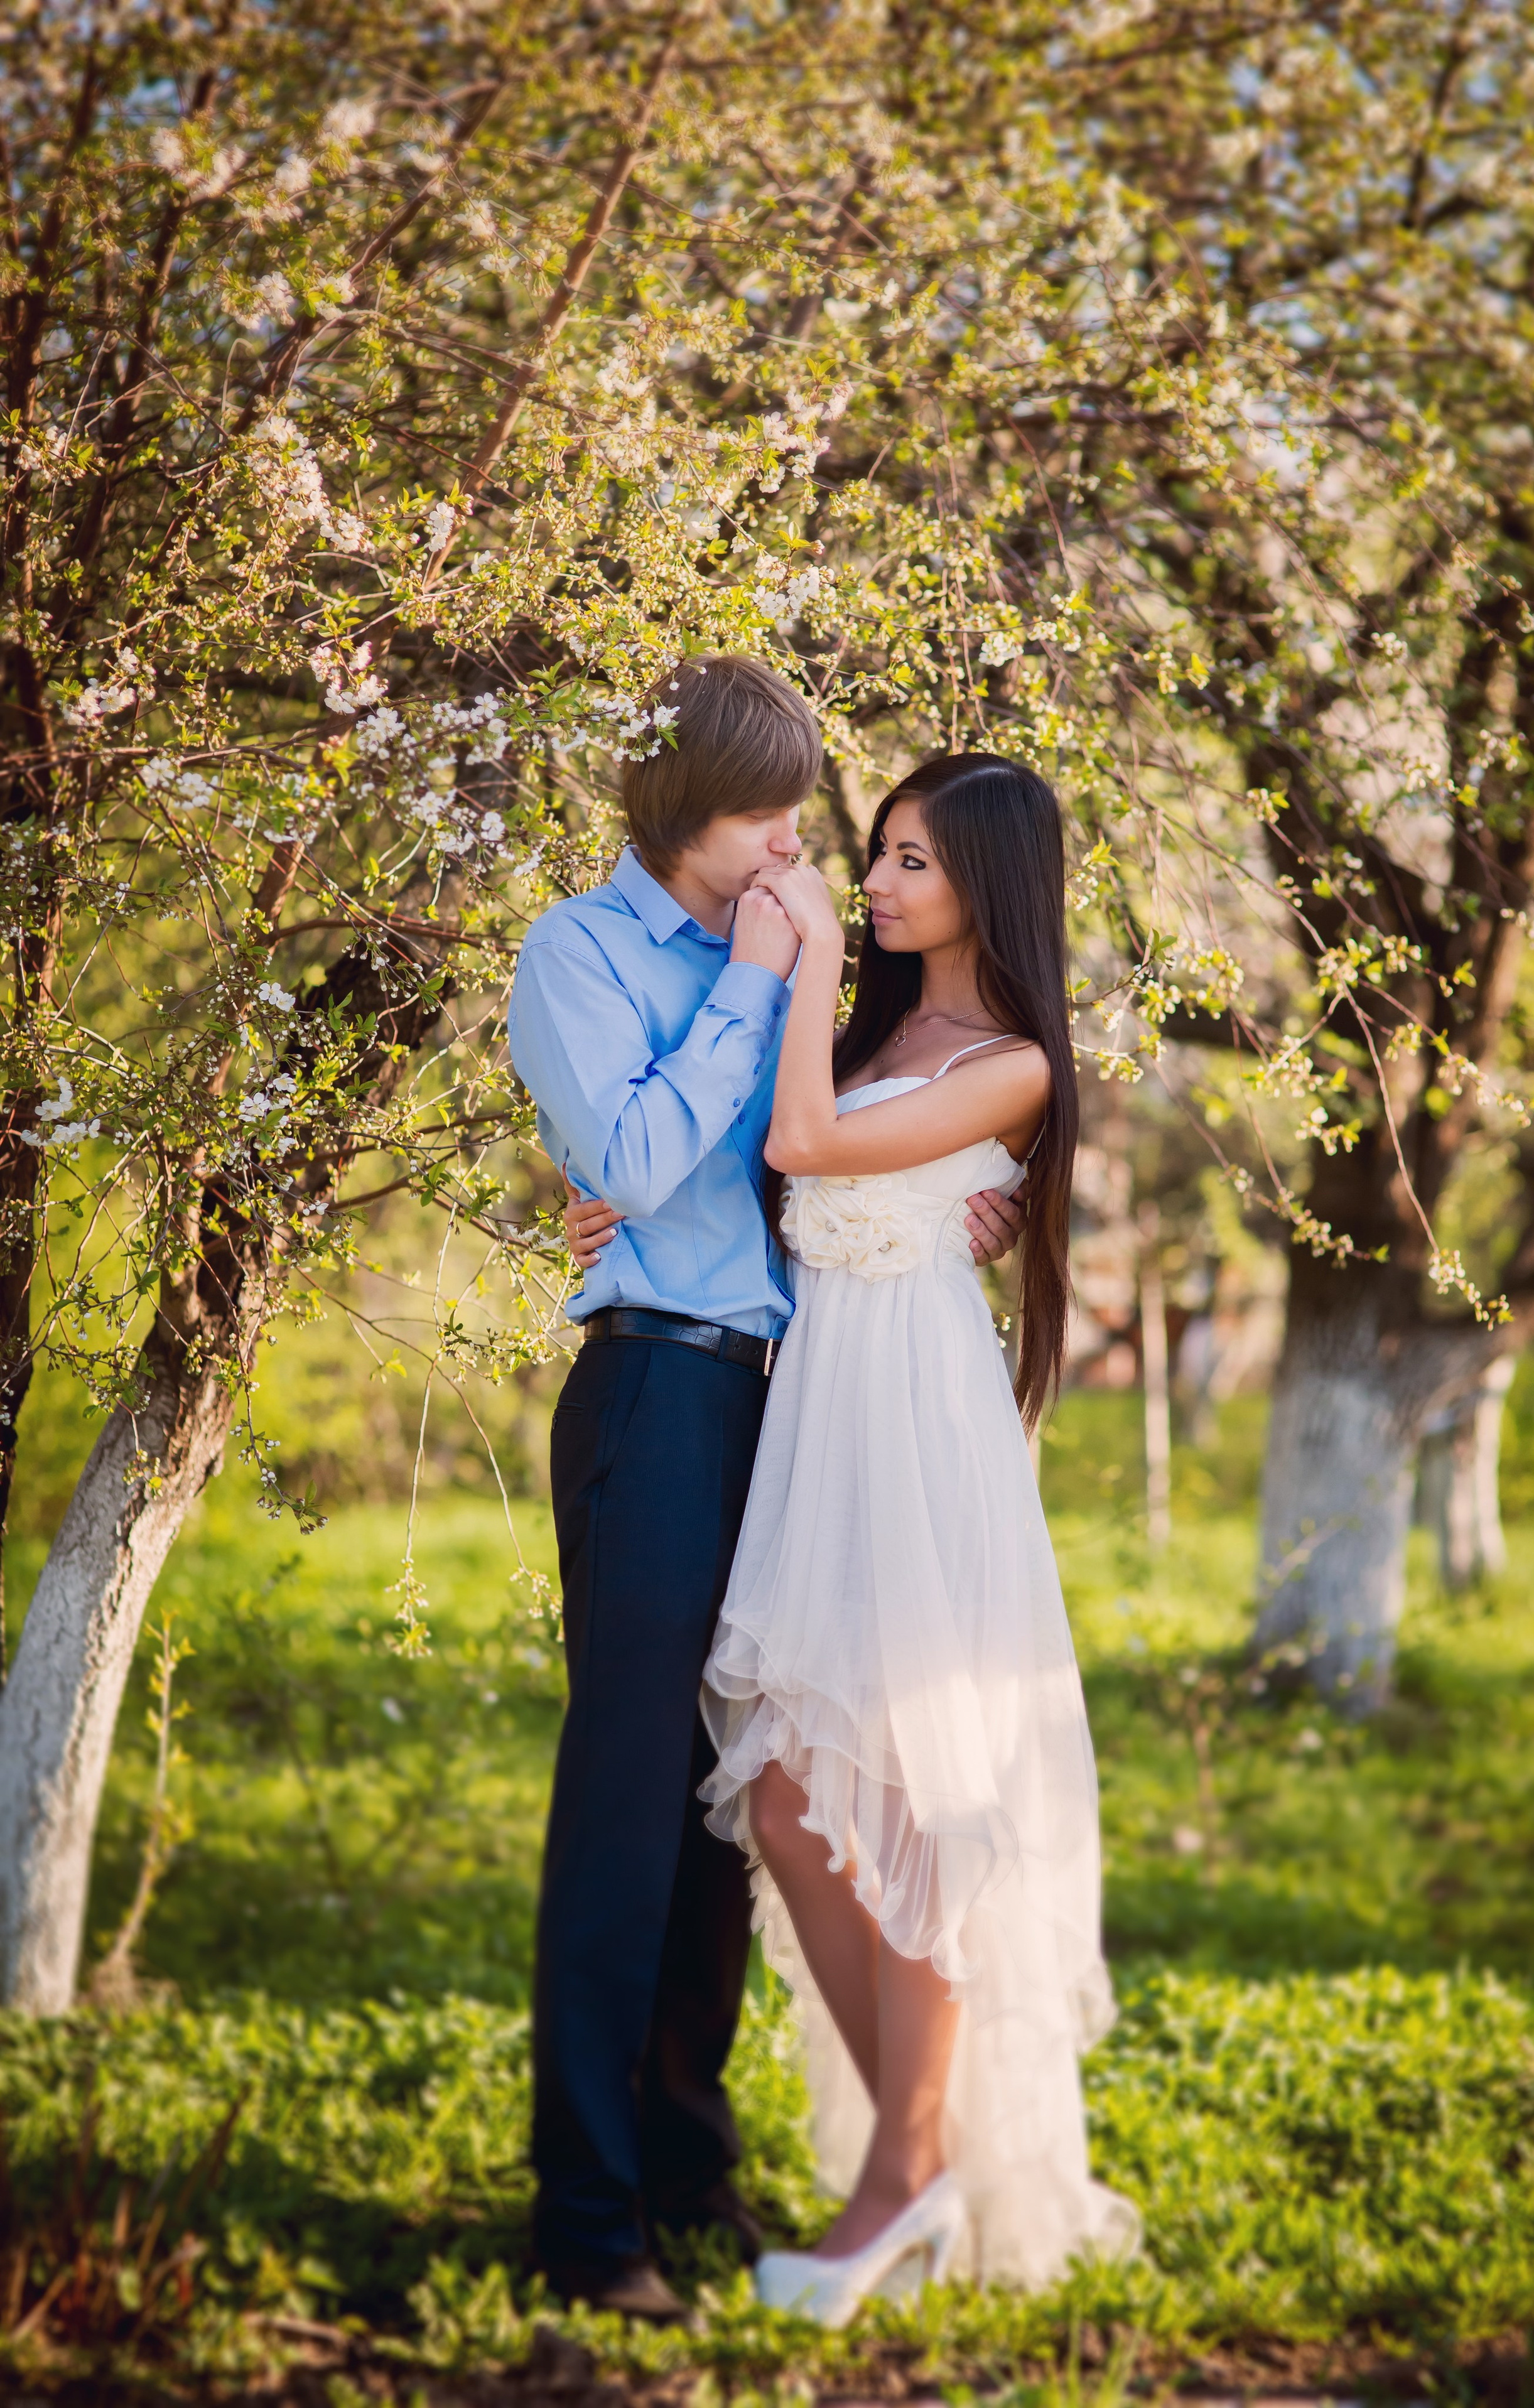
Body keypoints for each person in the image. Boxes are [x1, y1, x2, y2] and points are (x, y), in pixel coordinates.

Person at [509, 658, 1025, 2321]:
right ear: (685, 815)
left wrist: (968, 1202)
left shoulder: (809, 952)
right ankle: (589, 2220)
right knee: (629, 1799)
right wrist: (745, 985)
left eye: (810, 818)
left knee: (735, 1797)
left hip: (798, 1411)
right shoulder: (579, 953)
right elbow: (647, 1166)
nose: (798, 848)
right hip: (658, 1382)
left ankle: (688, 2162)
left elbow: (862, 1127)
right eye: (768, 816)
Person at [696, 753, 1139, 2323]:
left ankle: (901, 2176)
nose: (874, 887)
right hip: (823, 1412)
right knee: (796, 1796)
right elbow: (760, 1162)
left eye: (908, 867)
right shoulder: (879, 1035)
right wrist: (599, 1202)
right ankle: (924, 2149)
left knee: (917, 1784)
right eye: (873, 859)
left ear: (984, 889)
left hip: (917, 1427)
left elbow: (807, 1148)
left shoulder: (1012, 1062)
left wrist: (809, 949)